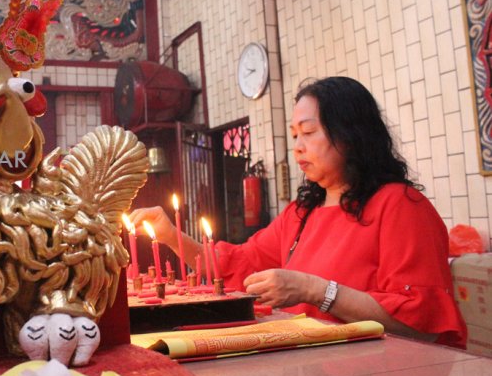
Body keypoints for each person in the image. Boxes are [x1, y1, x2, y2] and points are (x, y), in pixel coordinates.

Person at [130, 76, 467, 348]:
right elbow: (236, 267)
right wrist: (171, 236)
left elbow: (418, 323)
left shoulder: (400, 206)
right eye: (295, 136)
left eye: (308, 132)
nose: (298, 146)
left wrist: (315, 291)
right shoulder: (302, 213)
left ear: (351, 134)